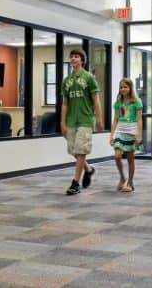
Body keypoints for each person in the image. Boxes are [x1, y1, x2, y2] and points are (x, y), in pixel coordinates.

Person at [60, 49, 103, 195]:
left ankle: (75, 183)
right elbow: (65, 103)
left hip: (85, 119)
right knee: (74, 151)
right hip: (71, 120)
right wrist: (62, 122)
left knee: (80, 150)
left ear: (82, 60)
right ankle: (89, 170)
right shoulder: (66, 80)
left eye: (76, 57)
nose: (73, 59)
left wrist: (99, 118)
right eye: (71, 57)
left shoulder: (89, 78)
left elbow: (96, 99)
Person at [109, 77, 143, 193]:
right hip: (120, 132)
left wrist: (139, 135)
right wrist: (112, 135)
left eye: (125, 87)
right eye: (121, 87)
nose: (123, 89)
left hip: (131, 132)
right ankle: (122, 177)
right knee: (117, 156)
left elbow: (139, 120)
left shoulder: (136, 102)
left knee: (130, 159)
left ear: (130, 88)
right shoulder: (118, 102)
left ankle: (130, 183)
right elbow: (115, 119)